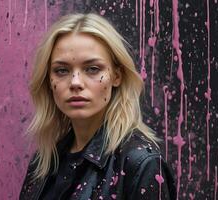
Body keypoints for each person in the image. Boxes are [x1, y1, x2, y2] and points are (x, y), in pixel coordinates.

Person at [19, 13, 176, 200]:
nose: (75, 82)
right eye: (62, 70)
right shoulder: (44, 162)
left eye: (92, 69)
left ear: (116, 76)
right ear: (48, 80)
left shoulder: (140, 162)